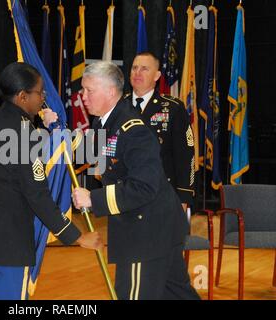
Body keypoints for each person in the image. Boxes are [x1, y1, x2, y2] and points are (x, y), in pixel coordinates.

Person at [0, 62, 102, 300]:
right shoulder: (24, 134)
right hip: (7, 246)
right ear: (22, 96)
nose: (43, 98)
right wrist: (76, 236)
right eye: (39, 92)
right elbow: (37, 194)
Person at [72, 61, 200, 300]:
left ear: (110, 91)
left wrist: (93, 198)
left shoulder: (133, 129)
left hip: (145, 230)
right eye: (83, 90)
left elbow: (144, 187)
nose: (83, 97)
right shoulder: (106, 121)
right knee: (176, 294)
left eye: (89, 90)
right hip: (157, 227)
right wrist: (56, 129)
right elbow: (98, 158)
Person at [129, 52, 195, 211]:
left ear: (157, 75)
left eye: (144, 69)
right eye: (134, 68)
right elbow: (103, 143)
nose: (137, 73)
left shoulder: (173, 108)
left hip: (163, 194)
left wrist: (184, 196)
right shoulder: (118, 106)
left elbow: (185, 156)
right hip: (126, 195)